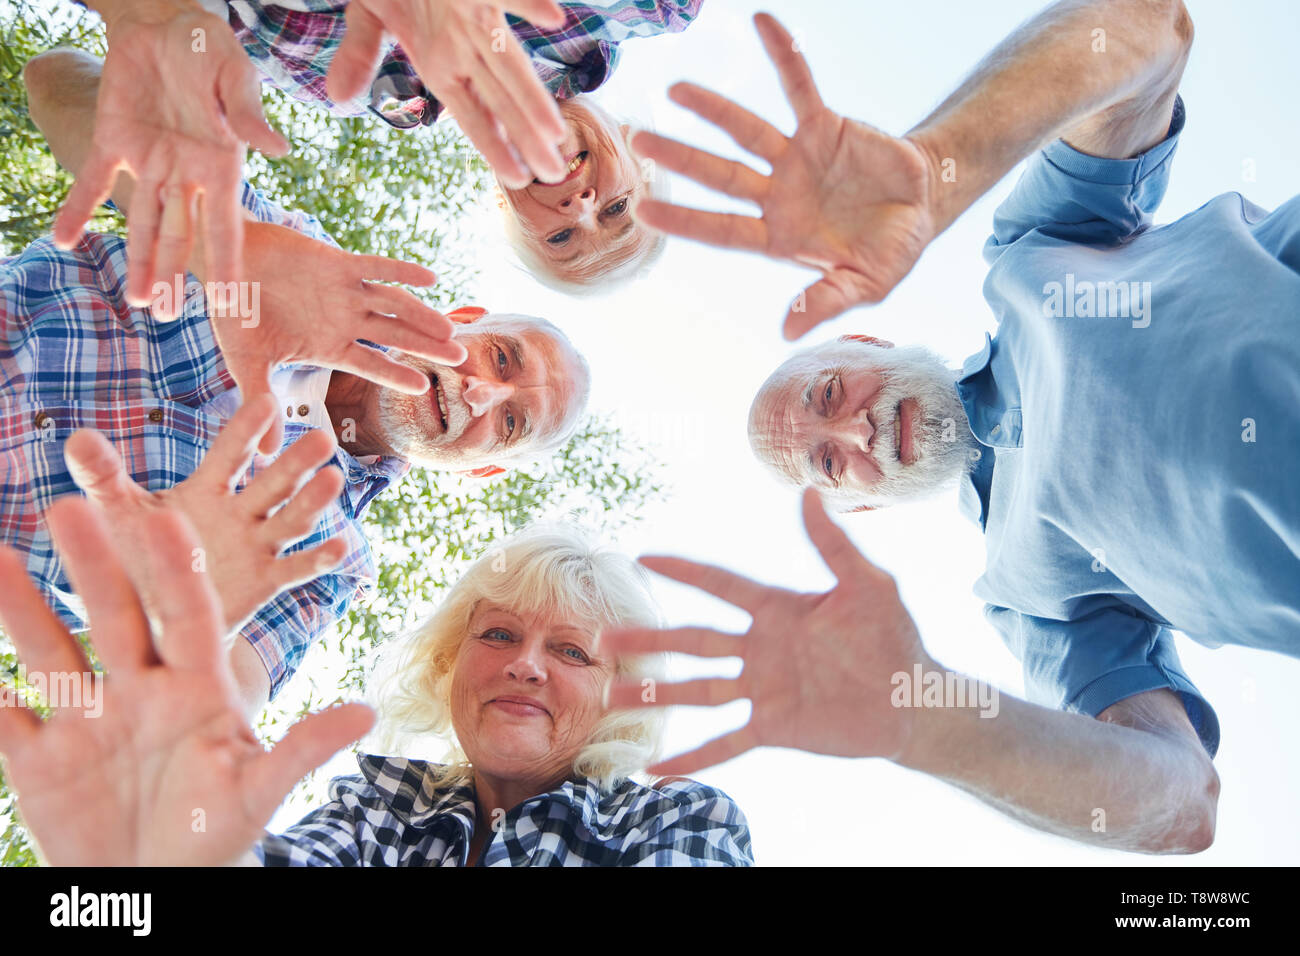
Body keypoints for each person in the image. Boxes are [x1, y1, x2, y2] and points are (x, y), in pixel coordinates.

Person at [605, 3, 1299, 854]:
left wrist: (932, 176)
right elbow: (1182, 801)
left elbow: (1151, 33)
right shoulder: (1030, 601)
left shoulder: (1032, 251)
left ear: (864, 340)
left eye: (829, 394)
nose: (856, 432)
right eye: (829, 462)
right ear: (855, 508)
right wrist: (918, 718)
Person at [6, 50, 593, 714]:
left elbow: (222, 704)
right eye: (502, 359)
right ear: (457, 321)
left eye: (510, 423)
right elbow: (56, 82)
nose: (481, 392)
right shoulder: (298, 255)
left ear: (483, 470)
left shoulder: (331, 560)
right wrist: (220, 247)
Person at [0, 498, 754, 866]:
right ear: (448, 666)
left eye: (571, 651)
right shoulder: (377, 809)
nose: (526, 663)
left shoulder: (680, 817)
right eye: (497, 634)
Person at [57, 0, 702, 297]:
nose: (580, 207)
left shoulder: (346, 85)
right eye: (616, 210)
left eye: (562, 238)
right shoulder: (646, 8)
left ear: (514, 217)